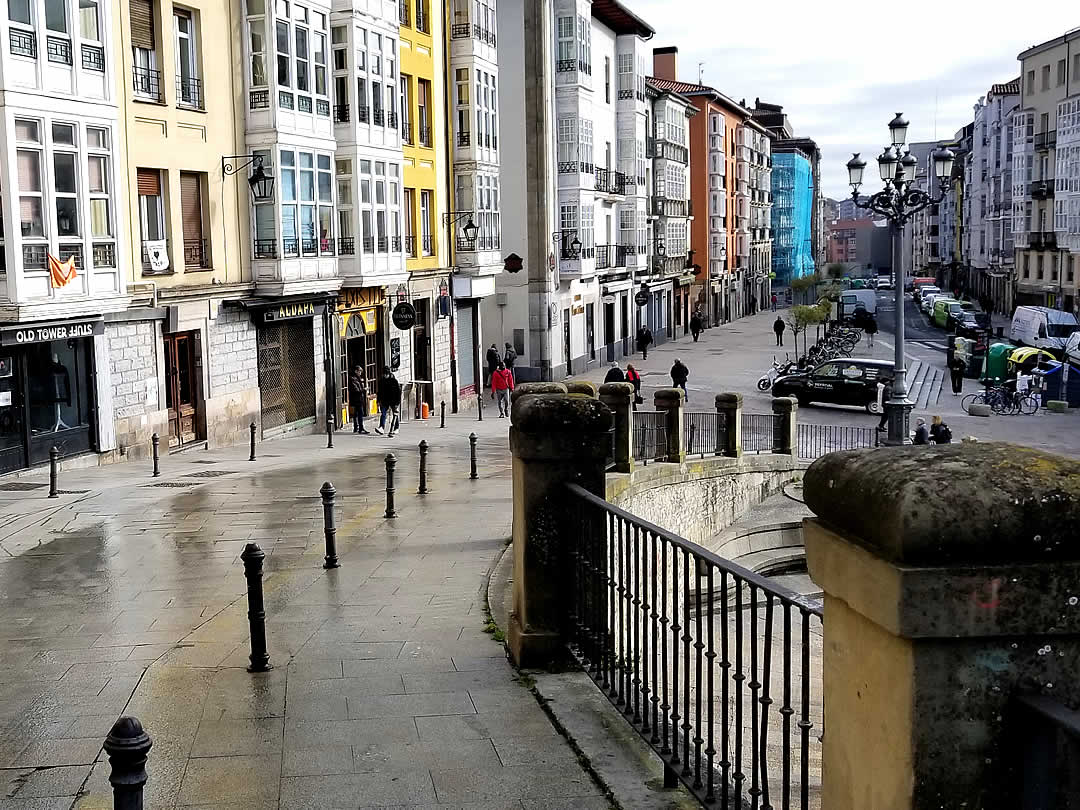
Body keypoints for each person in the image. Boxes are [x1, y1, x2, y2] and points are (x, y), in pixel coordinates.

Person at [375, 366, 401, 436]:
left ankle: (396, 428)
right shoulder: (381, 381)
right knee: (383, 414)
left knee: (395, 414)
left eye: (386, 374)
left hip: (393, 400)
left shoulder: (394, 381)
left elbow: (398, 392)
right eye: (384, 374)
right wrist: (378, 401)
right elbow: (379, 392)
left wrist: (397, 402)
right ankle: (381, 427)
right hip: (384, 400)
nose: (384, 375)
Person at [348, 365, 370, 434]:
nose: (360, 373)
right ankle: (360, 428)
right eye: (359, 371)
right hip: (356, 398)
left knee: (357, 413)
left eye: (361, 371)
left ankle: (356, 428)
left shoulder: (357, 378)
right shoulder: (353, 379)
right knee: (359, 413)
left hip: (359, 398)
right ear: (356, 371)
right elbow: (356, 390)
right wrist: (364, 389)